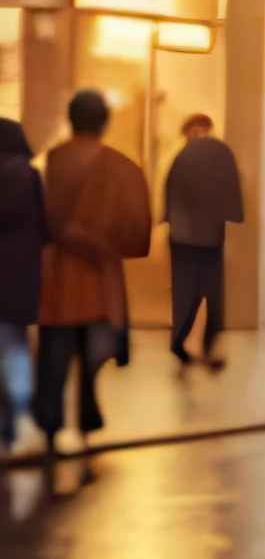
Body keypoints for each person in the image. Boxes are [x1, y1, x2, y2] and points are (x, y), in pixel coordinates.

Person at [35, 88, 152, 451]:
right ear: (104, 122)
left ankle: (50, 429)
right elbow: (135, 226)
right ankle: (87, 422)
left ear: (71, 120)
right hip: (99, 277)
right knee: (91, 356)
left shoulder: (51, 161)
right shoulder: (118, 165)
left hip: (57, 276)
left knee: (54, 355)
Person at [163, 113, 245, 368]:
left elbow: (171, 195)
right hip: (210, 235)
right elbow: (232, 191)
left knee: (187, 292)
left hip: (184, 237)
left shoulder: (182, 157)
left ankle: (180, 341)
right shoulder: (220, 154)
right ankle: (204, 345)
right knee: (212, 292)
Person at [0, 117, 45, 451]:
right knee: (16, 342)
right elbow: (48, 228)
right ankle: (16, 412)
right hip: (22, 276)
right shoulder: (31, 177)